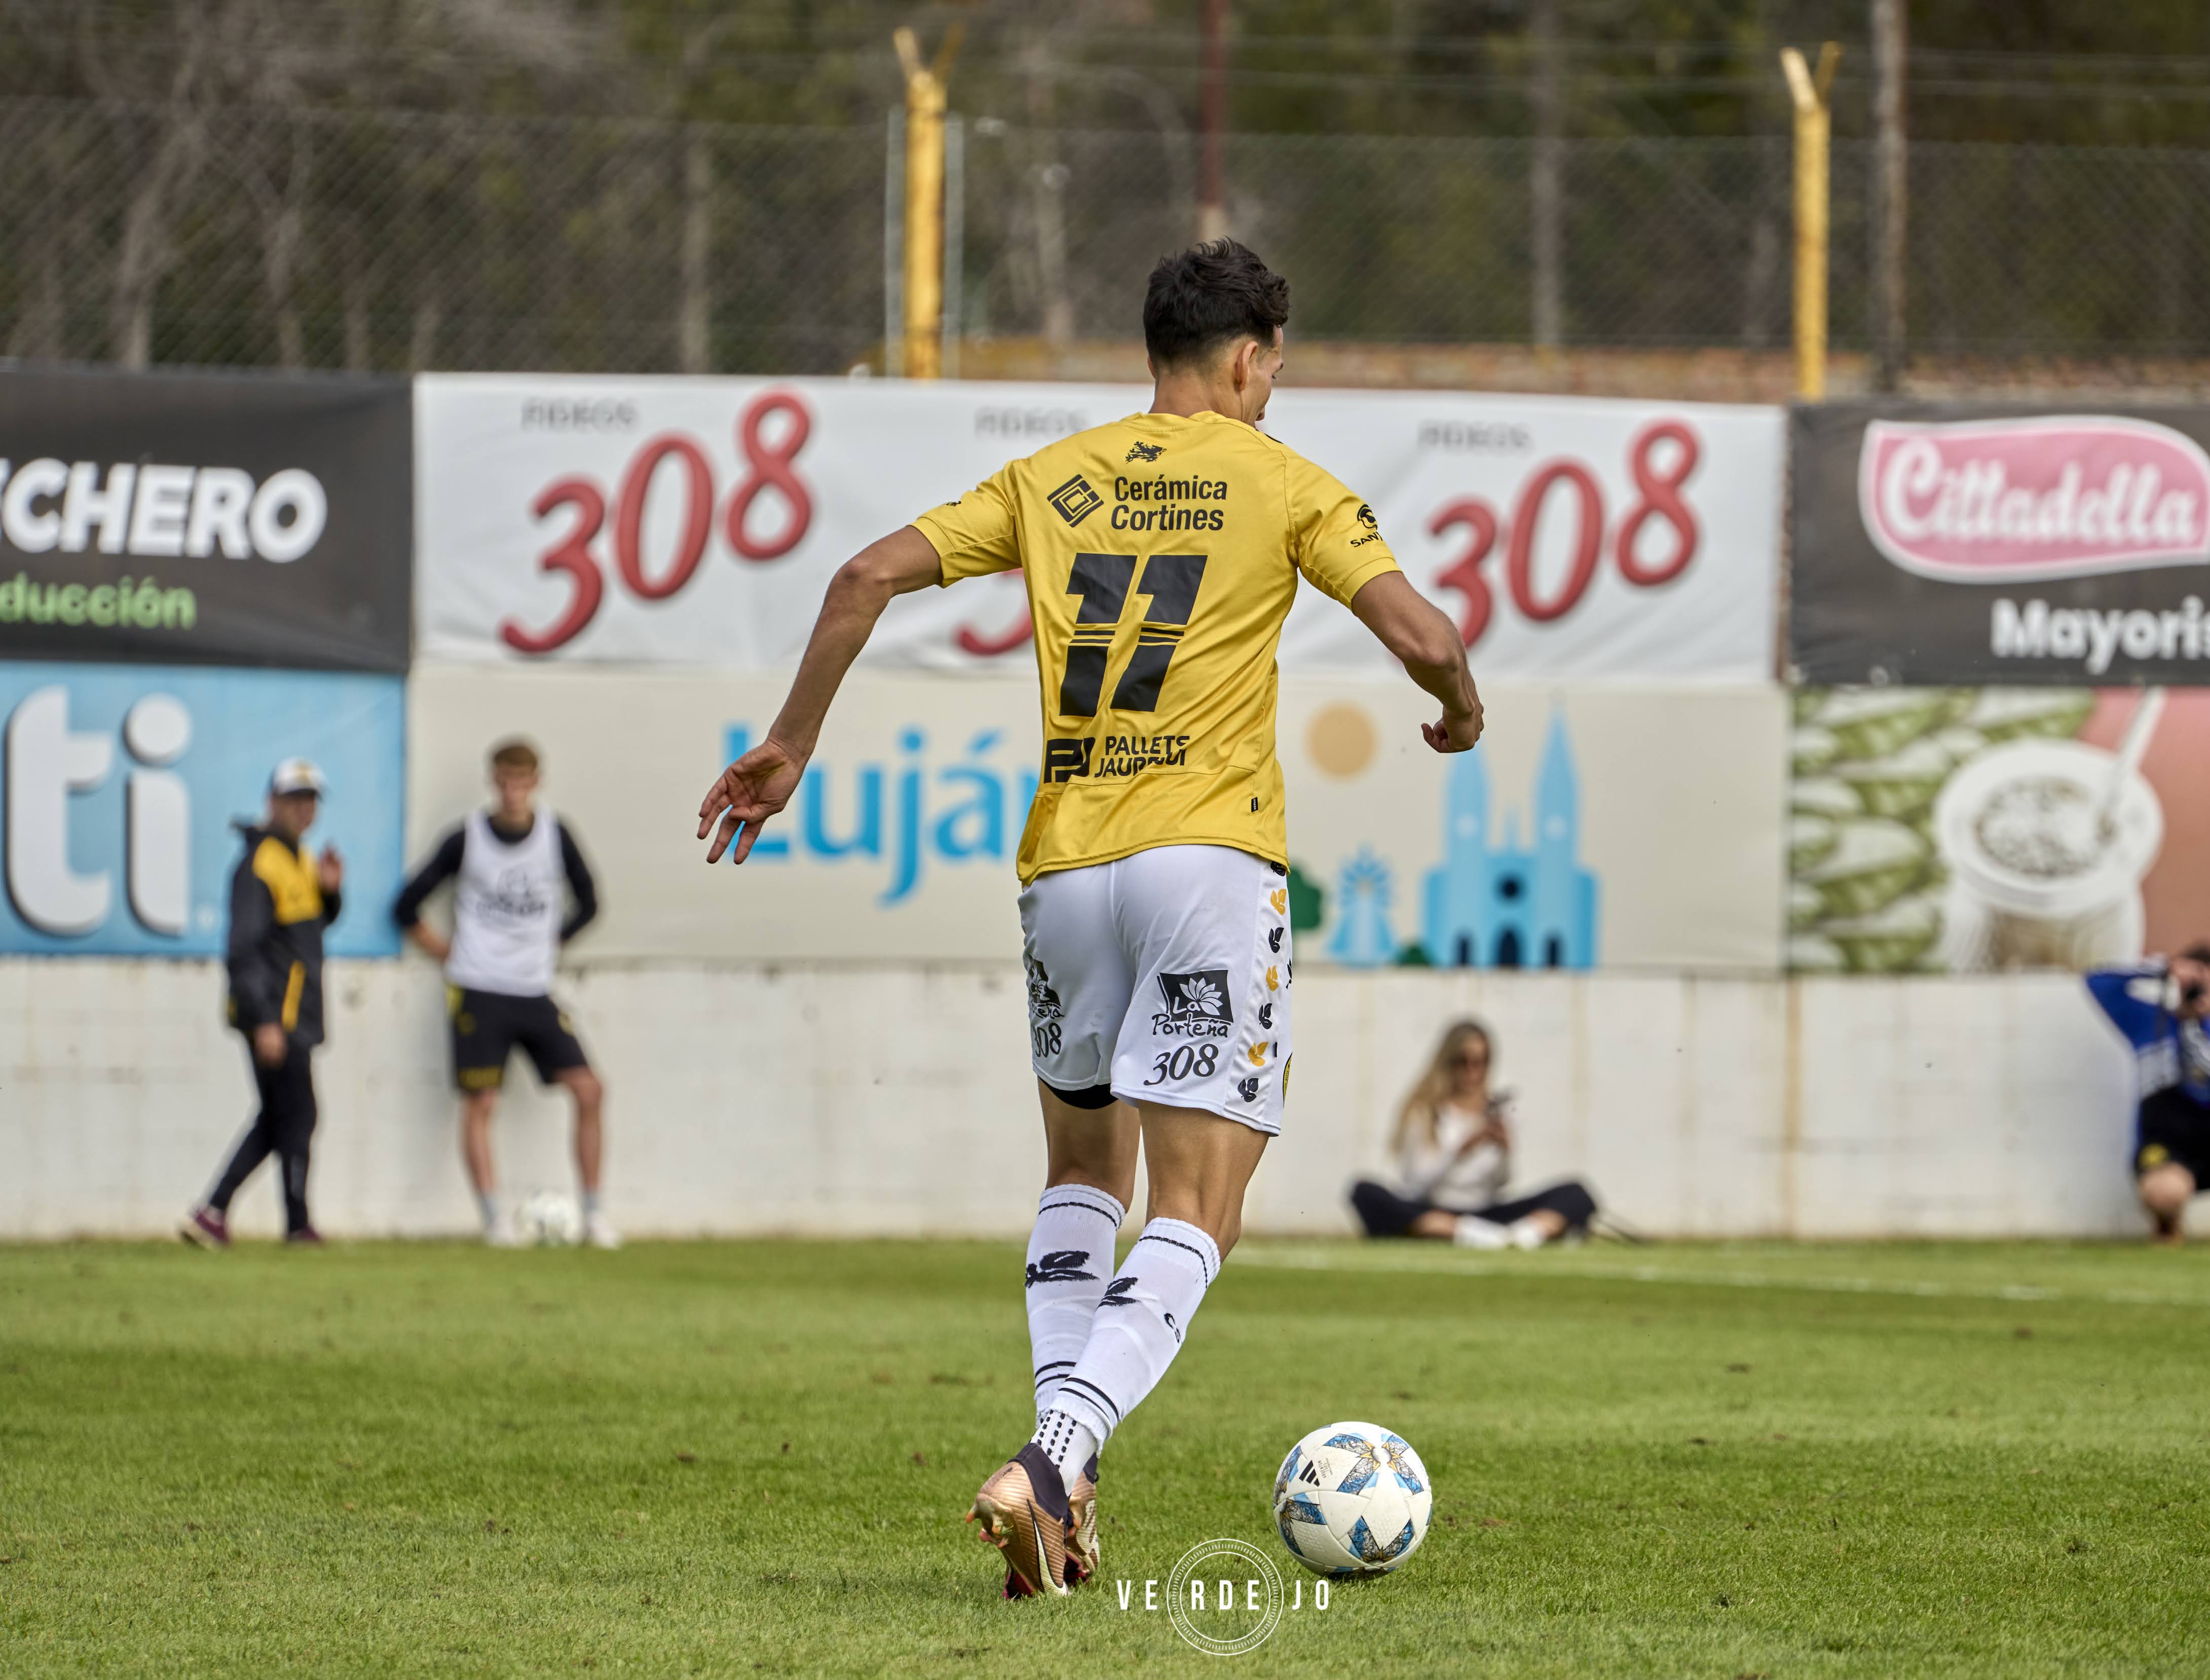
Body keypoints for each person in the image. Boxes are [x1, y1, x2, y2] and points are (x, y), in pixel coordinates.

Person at [696, 238, 1482, 1598]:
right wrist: (1462, 711)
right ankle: (1052, 1459)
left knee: (1079, 1181)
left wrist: (789, 741)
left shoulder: (1051, 477)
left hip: (1064, 870)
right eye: (1273, 366)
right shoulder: (1288, 481)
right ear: (1248, 358)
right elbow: (1424, 636)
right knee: (1200, 1207)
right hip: (1209, 867)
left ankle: (1066, 1498)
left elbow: (859, 579)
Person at [393, 739, 614, 1249]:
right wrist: (445, 953)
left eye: (523, 781)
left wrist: (553, 940)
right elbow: (406, 905)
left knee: (590, 1089)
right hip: (478, 988)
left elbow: (590, 903)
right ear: (494, 782)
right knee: (482, 1102)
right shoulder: (466, 838)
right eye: (505, 781)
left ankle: (595, 1215)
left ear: (537, 782)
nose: (514, 791)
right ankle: (495, 1221)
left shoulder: (556, 836)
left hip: (534, 988)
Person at [179, 759, 345, 1248]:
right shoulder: (261, 863)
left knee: (284, 1116)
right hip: (277, 1014)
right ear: (271, 802)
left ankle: (221, 1214)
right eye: (293, 799)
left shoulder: (300, 858)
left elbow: (304, 934)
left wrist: (332, 896)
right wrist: (266, 1020)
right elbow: (243, 949)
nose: (303, 809)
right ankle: (289, 1224)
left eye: (310, 800)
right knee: (296, 1114)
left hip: (293, 1012)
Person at [2085, 942, 2210, 1252]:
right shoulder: (2149, 1022)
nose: (2198, 991)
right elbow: (2096, 981)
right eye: (2192, 983)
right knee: (2164, 1192)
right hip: (2167, 1145)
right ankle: (2168, 1222)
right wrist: (2162, 969)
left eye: (2207, 983)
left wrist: (2197, 1027)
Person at [1350, 1020, 1599, 1248]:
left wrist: (1503, 1149)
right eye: (1464, 1062)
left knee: (1575, 1193)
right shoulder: (1424, 1109)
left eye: (1482, 1062)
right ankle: (1467, 1233)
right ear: (1448, 1062)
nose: (1473, 1071)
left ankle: (1523, 1235)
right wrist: (1461, 1149)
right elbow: (1415, 1182)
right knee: (1365, 1192)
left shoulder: (1496, 1110)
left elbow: (1502, 1183)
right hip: (1434, 1210)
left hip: (1486, 1212)